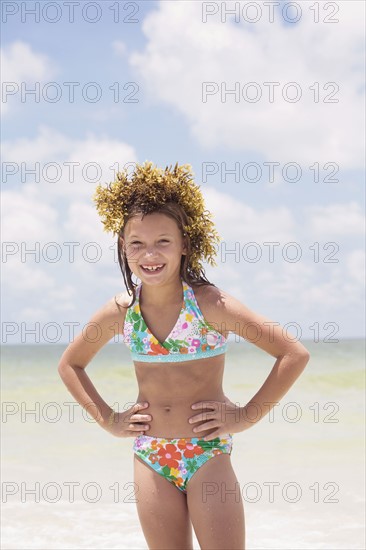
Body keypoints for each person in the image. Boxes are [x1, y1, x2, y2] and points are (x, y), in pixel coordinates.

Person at [58, 162, 310, 550]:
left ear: (185, 245)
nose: (149, 254)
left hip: (206, 453)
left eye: (163, 241)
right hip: (150, 456)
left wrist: (245, 416)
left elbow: (292, 353)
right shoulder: (122, 311)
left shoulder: (210, 304)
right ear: (123, 248)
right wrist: (109, 420)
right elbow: (70, 365)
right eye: (136, 243)